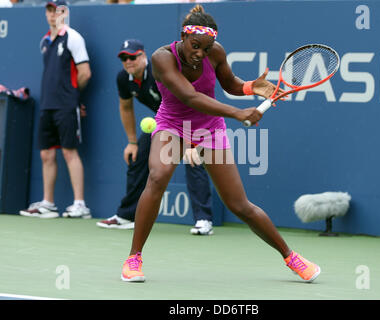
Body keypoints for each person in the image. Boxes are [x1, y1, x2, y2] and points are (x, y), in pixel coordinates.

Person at [121, 4, 321, 283]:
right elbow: (190, 97)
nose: (200, 53)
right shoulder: (161, 58)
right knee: (158, 176)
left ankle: (291, 257)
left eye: (206, 47)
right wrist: (238, 113)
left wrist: (251, 87)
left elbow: (229, 84)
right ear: (182, 37)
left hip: (208, 128)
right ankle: (134, 258)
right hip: (173, 125)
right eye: (195, 46)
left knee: (239, 205)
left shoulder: (215, 52)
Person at [96, 39, 215, 235]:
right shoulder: (123, 79)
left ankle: (204, 220)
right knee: (138, 155)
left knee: (193, 160)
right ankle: (127, 215)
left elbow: (189, 98)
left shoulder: (159, 72)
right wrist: (132, 142)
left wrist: (192, 141)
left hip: (192, 117)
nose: (128, 62)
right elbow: (125, 107)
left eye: (133, 57)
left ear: (143, 56)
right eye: (124, 58)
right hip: (166, 121)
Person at [19, 0, 92, 219]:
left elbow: (85, 72)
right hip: (48, 106)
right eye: (49, 10)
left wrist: (72, 96)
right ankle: (48, 203)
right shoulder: (44, 41)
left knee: (70, 152)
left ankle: (80, 204)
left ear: (65, 13)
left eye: (57, 10)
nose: (53, 14)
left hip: (66, 106)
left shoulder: (73, 37)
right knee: (46, 154)